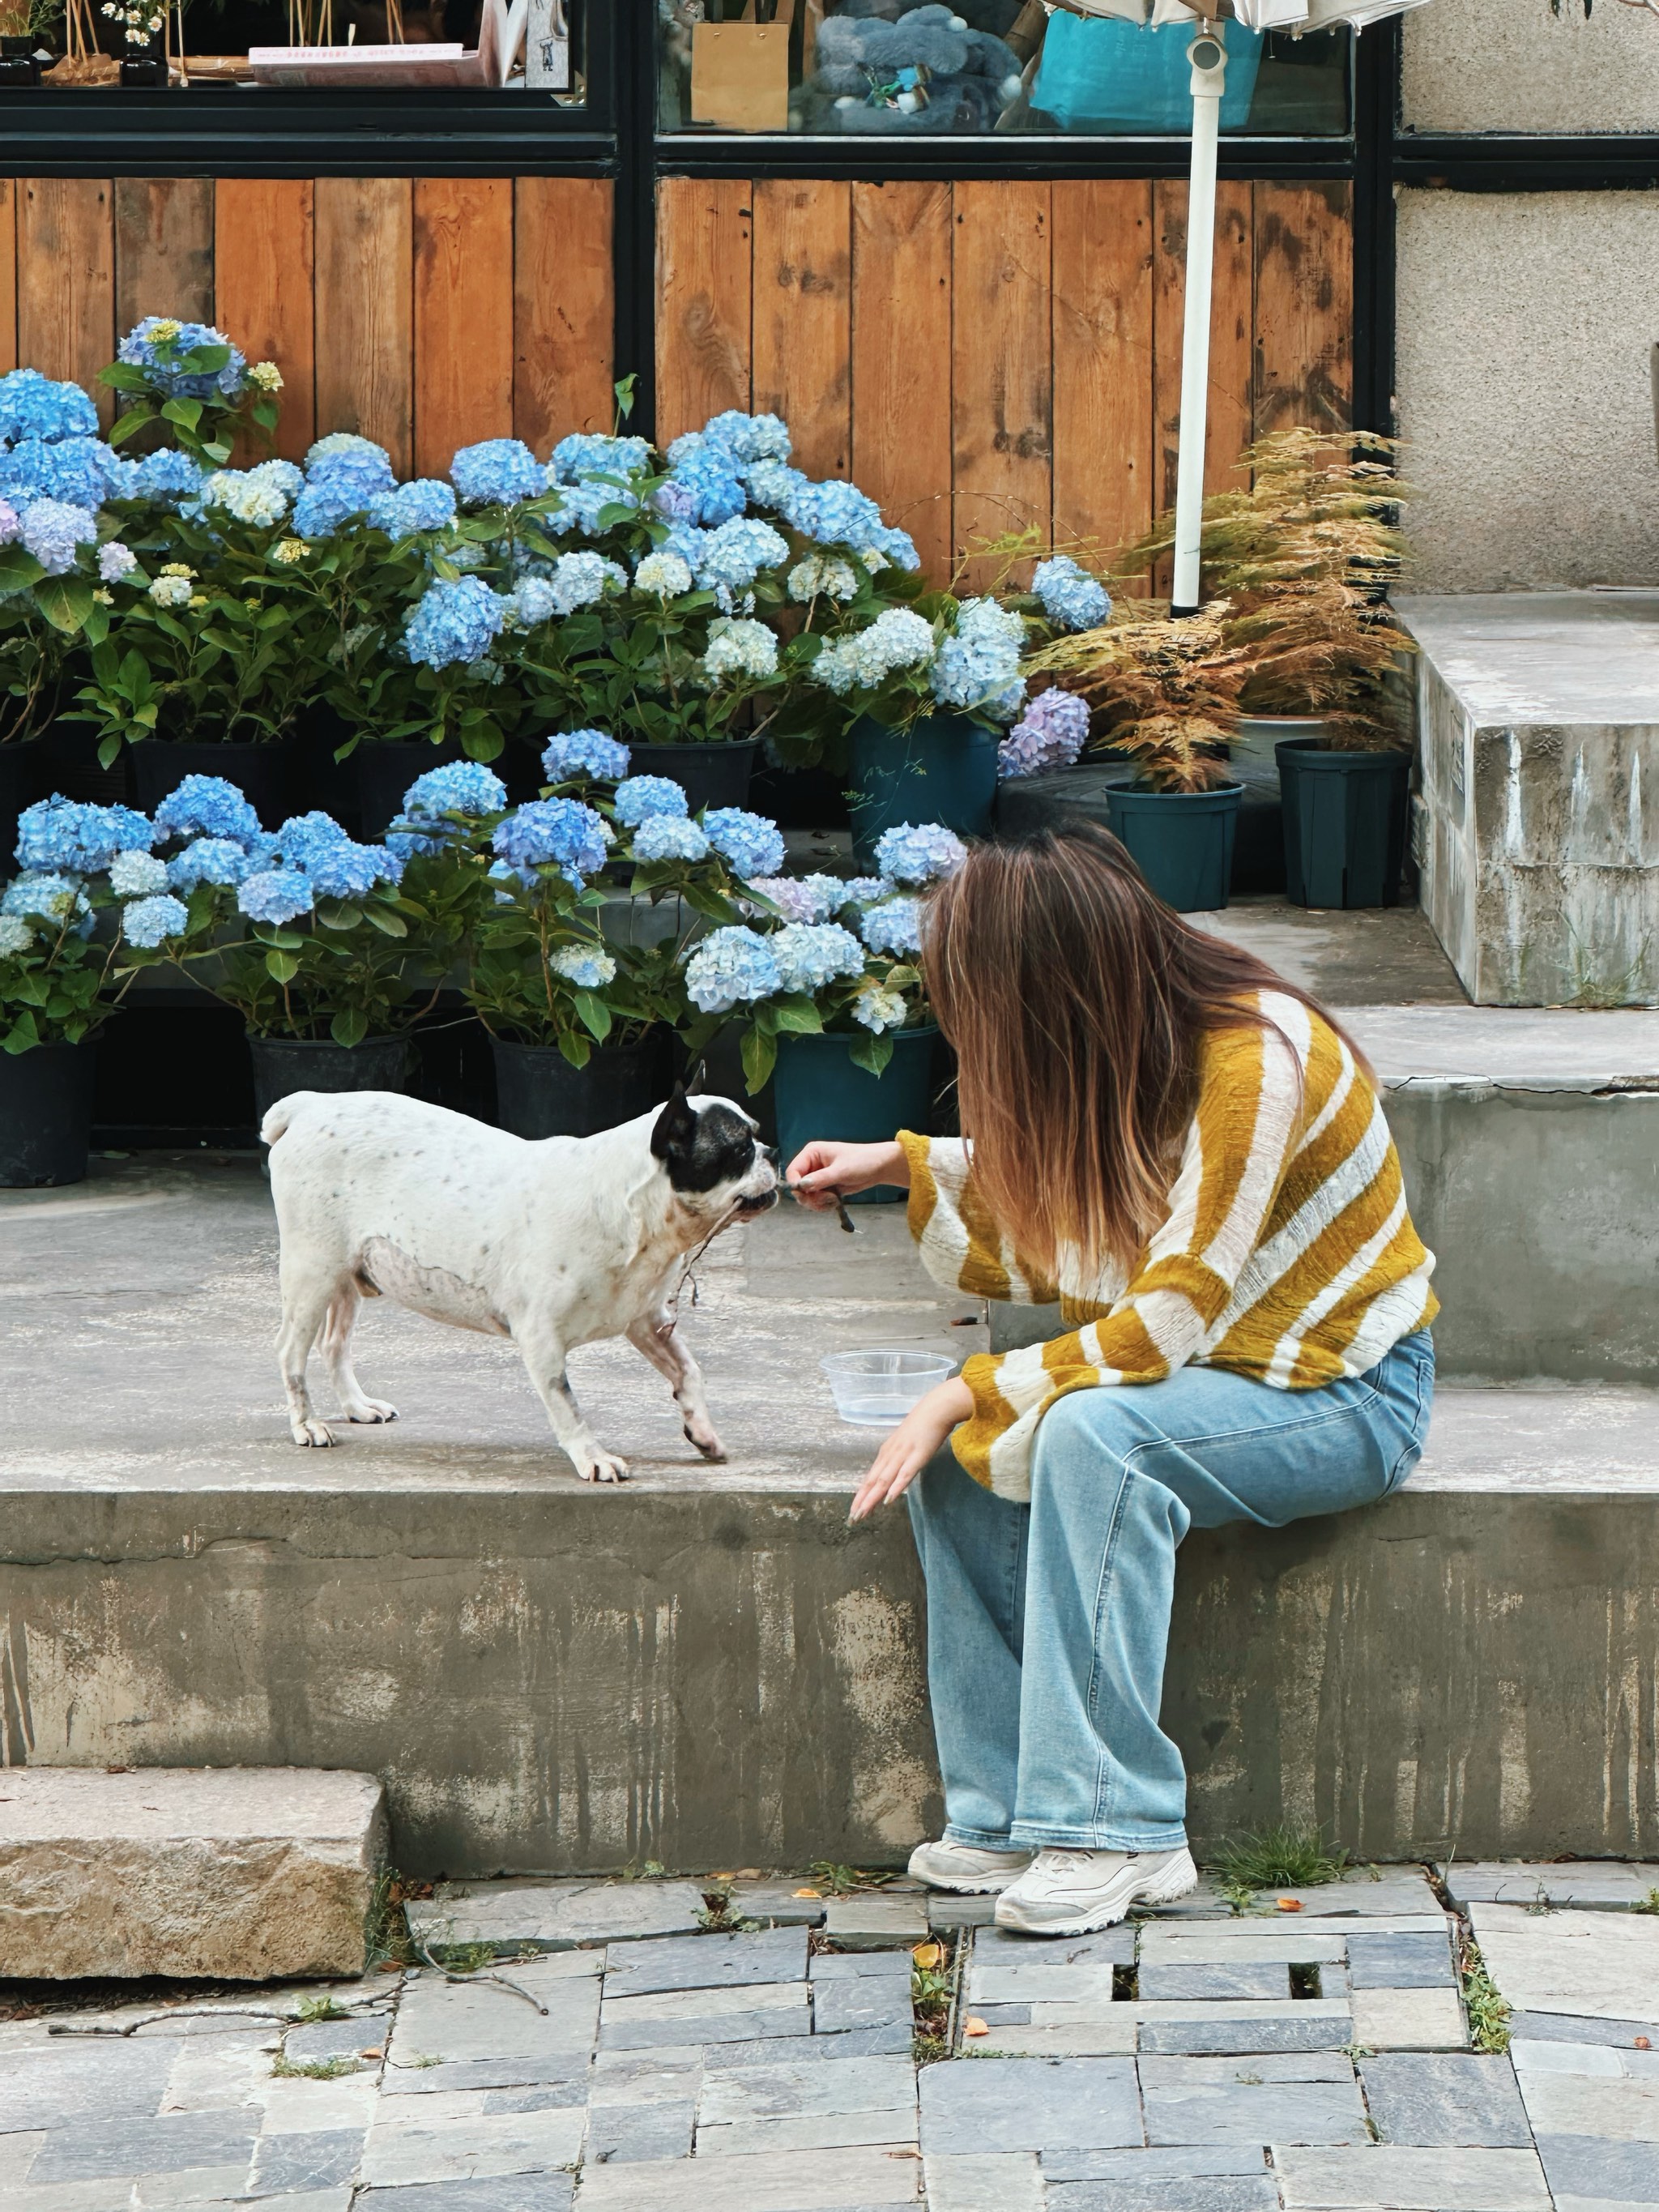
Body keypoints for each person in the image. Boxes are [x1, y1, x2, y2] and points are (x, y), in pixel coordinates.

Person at [787, 822, 1436, 1937]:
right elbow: (1096, 1177)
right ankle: (1005, 1807)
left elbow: (1167, 1318)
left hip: (1347, 1388)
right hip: (1226, 1372)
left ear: (1056, 996)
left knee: (1087, 1432)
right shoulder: (1147, 1040)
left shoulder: (1258, 1060)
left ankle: (1120, 1827)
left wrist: (969, 1388)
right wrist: (901, 1161)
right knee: (972, 1441)